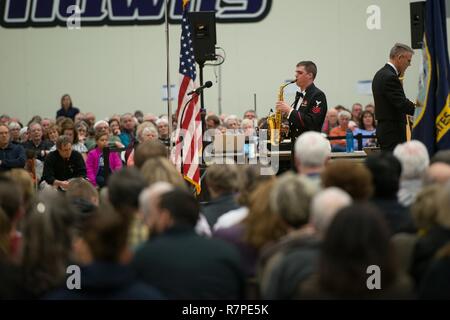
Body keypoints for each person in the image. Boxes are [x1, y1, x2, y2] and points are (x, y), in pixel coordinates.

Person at [372, 43, 417, 151]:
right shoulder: (390, 77)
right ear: (400, 58)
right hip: (392, 131)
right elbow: (401, 103)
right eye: (409, 60)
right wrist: (423, 111)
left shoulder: (382, 74)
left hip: (388, 129)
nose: (409, 64)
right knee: (394, 165)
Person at [276, 61, 327, 148]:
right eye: (296, 72)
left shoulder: (318, 95)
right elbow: (299, 122)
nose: (296, 75)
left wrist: (289, 110)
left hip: (310, 147)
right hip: (296, 146)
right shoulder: (300, 95)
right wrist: (285, 126)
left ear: (310, 75)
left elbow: (312, 122)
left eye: (300, 73)